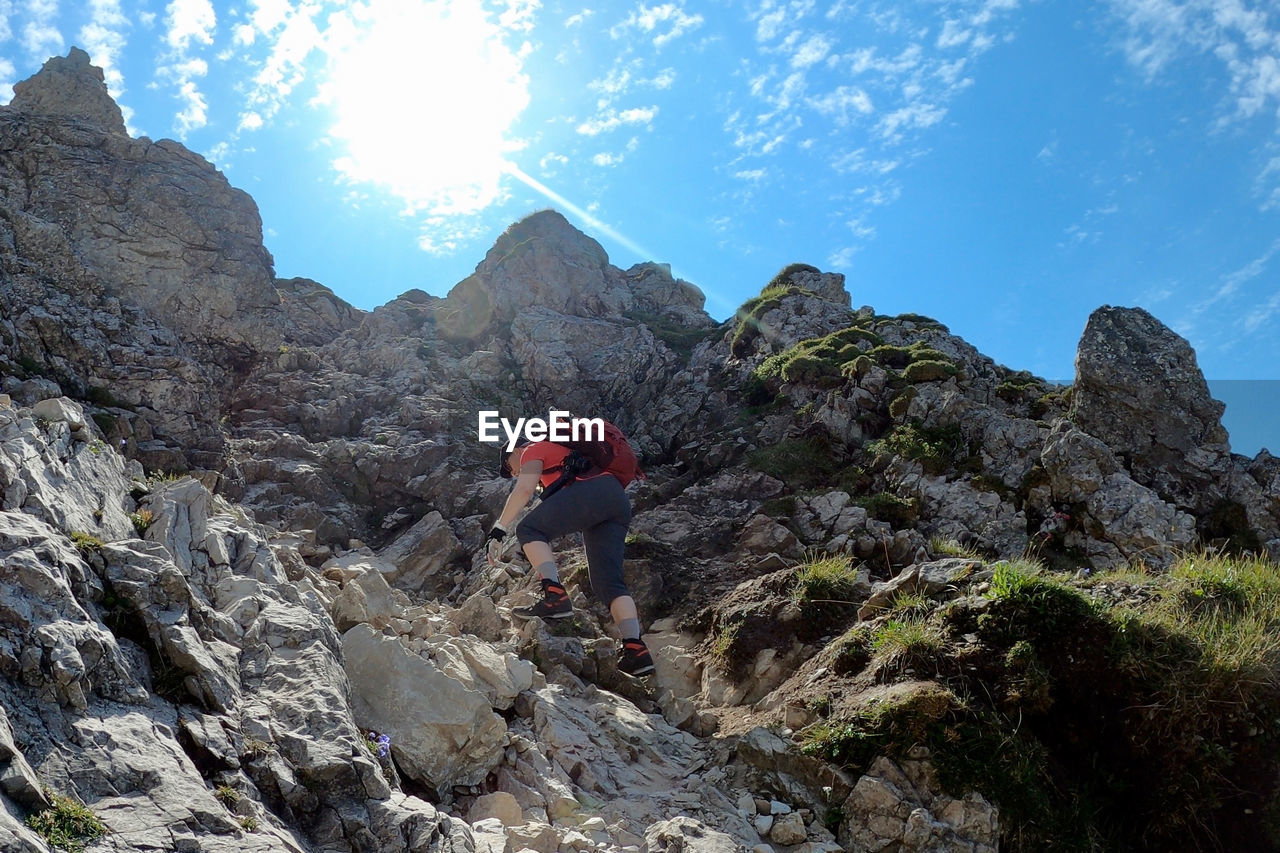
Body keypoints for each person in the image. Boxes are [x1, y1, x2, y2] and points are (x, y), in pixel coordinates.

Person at [488, 439, 654, 676]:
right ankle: (636, 651)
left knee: (528, 530)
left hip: (592, 492)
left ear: (515, 450)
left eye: (508, 466)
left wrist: (499, 529)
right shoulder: (561, 456)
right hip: (615, 499)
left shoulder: (532, 450)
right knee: (608, 583)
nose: (512, 472)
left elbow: (524, 490)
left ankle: (554, 596)